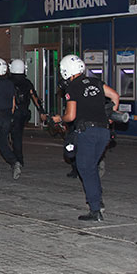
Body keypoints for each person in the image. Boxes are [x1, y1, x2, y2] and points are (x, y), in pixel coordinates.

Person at [52, 54, 120, 221]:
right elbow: (115, 96)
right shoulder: (96, 82)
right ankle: (97, 200)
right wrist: (111, 115)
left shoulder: (72, 87)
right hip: (104, 131)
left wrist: (59, 118)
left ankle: (95, 209)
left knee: (85, 168)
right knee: (91, 167)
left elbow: (71, 116)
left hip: (87, 131)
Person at [9, 58, 48, 177]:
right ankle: (19, 158)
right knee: (18, 136)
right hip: (24, 113)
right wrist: (41, 111)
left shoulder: (9, 81)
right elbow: (34, 97)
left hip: (12, 113)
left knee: (13, 137)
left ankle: (17, 160)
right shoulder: (27, 82)